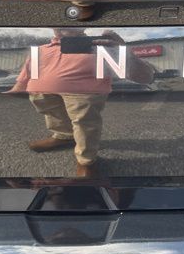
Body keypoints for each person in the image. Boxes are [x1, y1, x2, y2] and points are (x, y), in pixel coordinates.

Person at [8, 28, 154, 178]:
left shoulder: (100, 47)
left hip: (84, 92)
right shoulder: (41, 49)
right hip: (43, 92)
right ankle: (64, 136)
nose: (66, 26)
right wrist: (19, 86)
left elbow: (145, 77)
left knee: (84, 122)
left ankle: (86, 161)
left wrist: (124, 51)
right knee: (53, 113)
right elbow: (28, 69)